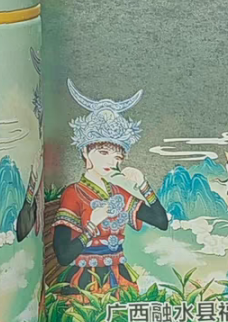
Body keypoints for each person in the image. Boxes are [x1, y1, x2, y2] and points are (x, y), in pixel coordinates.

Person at [51, 80, 168, 296]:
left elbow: (161, 222)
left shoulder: (118, 192)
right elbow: (64, 256)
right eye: (103, 152)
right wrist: (91, 226)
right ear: (86, 152)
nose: (111, 162)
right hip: (84, 281)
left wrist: (143, 185)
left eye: (117, 157)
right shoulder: (73, 193)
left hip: (120, 276)